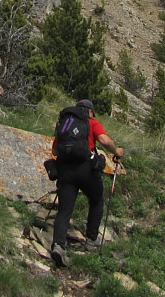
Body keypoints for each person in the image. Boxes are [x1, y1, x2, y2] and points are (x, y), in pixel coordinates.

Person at [50, 99, 124, 267]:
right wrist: (116, 151)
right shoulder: (91, 122)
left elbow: (55, 150)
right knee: (97, 199)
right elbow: (104, 141)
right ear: (90, 111)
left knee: (64, 210)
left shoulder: (65, 124)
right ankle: (91, 239)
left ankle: (58, 246)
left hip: (65, 170)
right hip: (85, 169)